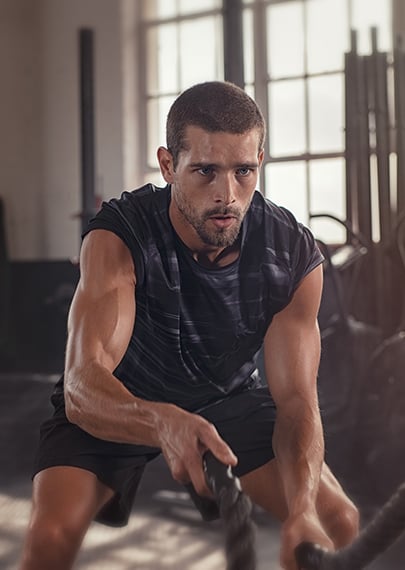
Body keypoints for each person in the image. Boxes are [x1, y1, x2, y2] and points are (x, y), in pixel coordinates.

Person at [19, 81, 358, 570]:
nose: (227, 195)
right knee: (49, 537)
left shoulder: (292, 254)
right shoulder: (122, 235)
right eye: (205, 171)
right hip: (122, 395)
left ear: (260, 159)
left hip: (225, 396)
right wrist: (162, 421)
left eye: (244, 171)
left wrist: (302, 510)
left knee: (334, 525)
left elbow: (298, 402)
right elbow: (81, 384)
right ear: (167, 165)